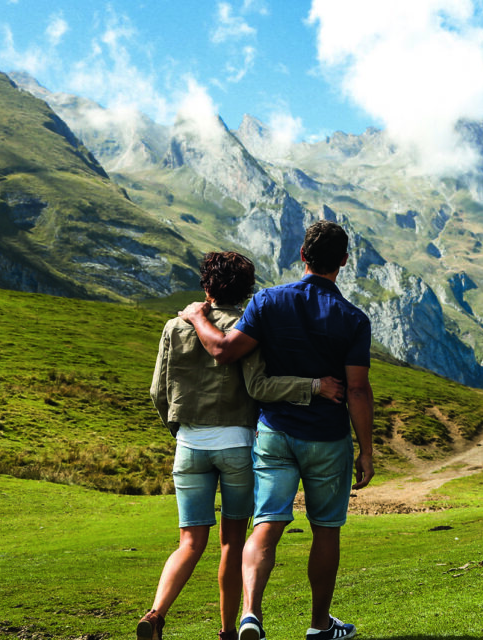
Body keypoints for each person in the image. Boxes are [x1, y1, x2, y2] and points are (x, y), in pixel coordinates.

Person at [180, 221, 374, 640]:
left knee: (266, 522)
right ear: (343, 261)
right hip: (327, 436)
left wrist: (197, 316)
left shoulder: (268, 302)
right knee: (326, 528)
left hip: (274, 433)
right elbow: (357, 389)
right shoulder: (354, 319)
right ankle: (320, 626)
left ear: (302, 256)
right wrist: (367, 450)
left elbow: (224, 350)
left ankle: (250, 615)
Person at [142, 251, 345, 640]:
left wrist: (181, 431)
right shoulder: (248, 327)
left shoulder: (174, 326)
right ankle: (228, 631)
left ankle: (155, 614)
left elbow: (158, 390)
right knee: (233, 543)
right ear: (248, 289)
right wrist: (314, 386)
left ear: (206, 286)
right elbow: (259, 388)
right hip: (236, 445)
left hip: (189, 444)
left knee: (189, 541)